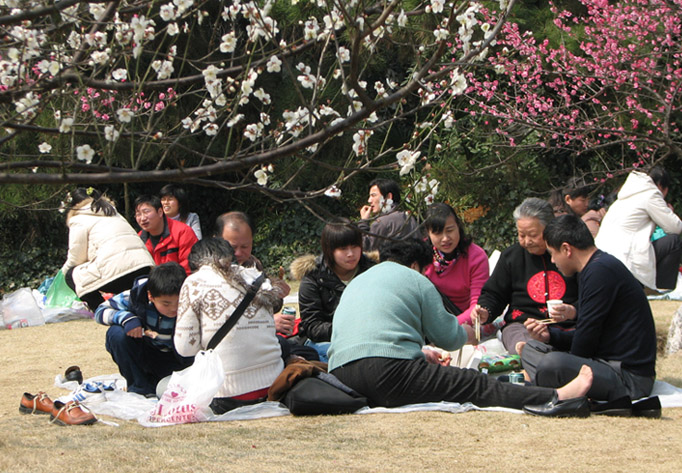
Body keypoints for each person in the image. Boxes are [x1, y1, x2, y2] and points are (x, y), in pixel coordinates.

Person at [327, 239, 595, 417]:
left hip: (341, 377)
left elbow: (372, 337)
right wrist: (476, 332)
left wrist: (419, 354)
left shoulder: (358, 281)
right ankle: (556, 396)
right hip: (389, 373)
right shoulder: (416, 280)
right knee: (472, 383)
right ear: (415, 266)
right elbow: (450, 338)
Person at [521, 215, 657, 404]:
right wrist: (549, 336)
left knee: (552, 364)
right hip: (605, 362)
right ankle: (551, 383)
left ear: (567, 249)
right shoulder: (594, 267)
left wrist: (564, 362)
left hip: (628, 377)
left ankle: (552, 387)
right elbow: (590, 335)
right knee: (531, 348)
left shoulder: (599, 272)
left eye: (553, 253)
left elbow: (585, 340)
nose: (552, 261)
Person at [174, 238, 284, 414]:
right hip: (274, 387)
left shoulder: (195, 282)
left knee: (163, 387)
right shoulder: (257, 277)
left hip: (225, 395)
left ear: (195, 262)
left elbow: (185, 348)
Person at [471, 198, 579, 355]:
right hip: (524, 324)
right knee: (516, 335)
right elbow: (494, 293)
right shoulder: (511, 256)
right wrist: (485, 311)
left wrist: (572, 310)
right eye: (522, 235)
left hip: (565, 323)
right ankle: (526, 350)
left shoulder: (567, 253)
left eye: (533, 235)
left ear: (550, 228)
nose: (527, 241)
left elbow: (589, 294)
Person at [94, 262, 193, 396]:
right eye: (166, 303)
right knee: (117, 334)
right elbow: (100, 311)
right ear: (150, 296)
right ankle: (139, 387)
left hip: (178, 358)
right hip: (146, 352)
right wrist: (128, 319)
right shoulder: (135, 296)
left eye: (179, 302)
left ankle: (156, 383)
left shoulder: (194, 298)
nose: (173, 308)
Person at [293, 220, 376, 361]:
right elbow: (312, 326)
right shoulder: (313, 277)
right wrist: (351, 331)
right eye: (343, 249)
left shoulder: (373, 270)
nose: (351, 254)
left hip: (371, 340)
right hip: (326, 343)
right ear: (329, 250)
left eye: (355, 246)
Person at [62, 187, 154, 310]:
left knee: (70, 275)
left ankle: (103, 311)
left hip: (117, 274)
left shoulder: (78, 219)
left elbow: (76, 258)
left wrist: (62, 273)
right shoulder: (113, 212)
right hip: (144, 268)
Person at [595, 167, 682, 290]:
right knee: (673, 241)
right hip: (626, 258)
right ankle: (662, 289)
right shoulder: (651, 193)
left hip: (603, 256)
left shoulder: (626, 195)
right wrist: (669, 212)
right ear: (661, 186)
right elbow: (675, 227)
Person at [215, 211, 293, 335]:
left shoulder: (253, 264)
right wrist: (267, 322)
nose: (239, 253)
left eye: (245, 246)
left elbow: (269, 306)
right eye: (233, 247)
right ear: (217, 240)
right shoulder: (211, 272)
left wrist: (277, 292)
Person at [423, 203, 489, 326]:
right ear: (428, 233)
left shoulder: (476, 257)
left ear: (458, 226)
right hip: (427, 321)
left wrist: (447, 328)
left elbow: (477, 305)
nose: (445, 238)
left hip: (463, 323)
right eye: (437, 233)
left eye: (450, 230)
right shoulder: (420, 254)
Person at [135, 194, 198, 275]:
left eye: (146, 212)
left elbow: (189, 268)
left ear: (160, 212)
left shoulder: (183, 232)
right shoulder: (139, 239)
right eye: (138, 214)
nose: (143, 218)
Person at [357, 178, 420, 251]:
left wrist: (363, 222)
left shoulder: (381, 222)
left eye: (373, 195)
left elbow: (364, 248)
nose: (369, 200)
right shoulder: (409, 218)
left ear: (388, 197)